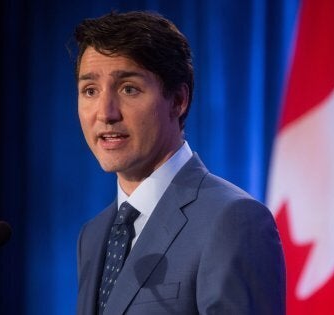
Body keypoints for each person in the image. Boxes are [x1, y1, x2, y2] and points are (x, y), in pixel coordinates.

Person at [72, 10, 286, 315]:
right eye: (90, 91)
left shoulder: (233, 221)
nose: (105, 112)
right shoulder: (92, 236)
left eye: (128, 88)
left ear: (178, 100)